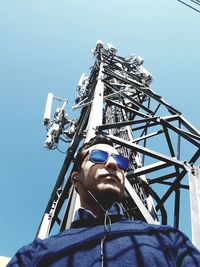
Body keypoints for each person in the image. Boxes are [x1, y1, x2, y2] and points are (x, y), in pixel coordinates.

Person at [7, 135, 200, 266]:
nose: (113, 163)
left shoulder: (167, 238)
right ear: (76, 178)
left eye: (121, 162)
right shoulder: (35, 254)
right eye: (98, 157)